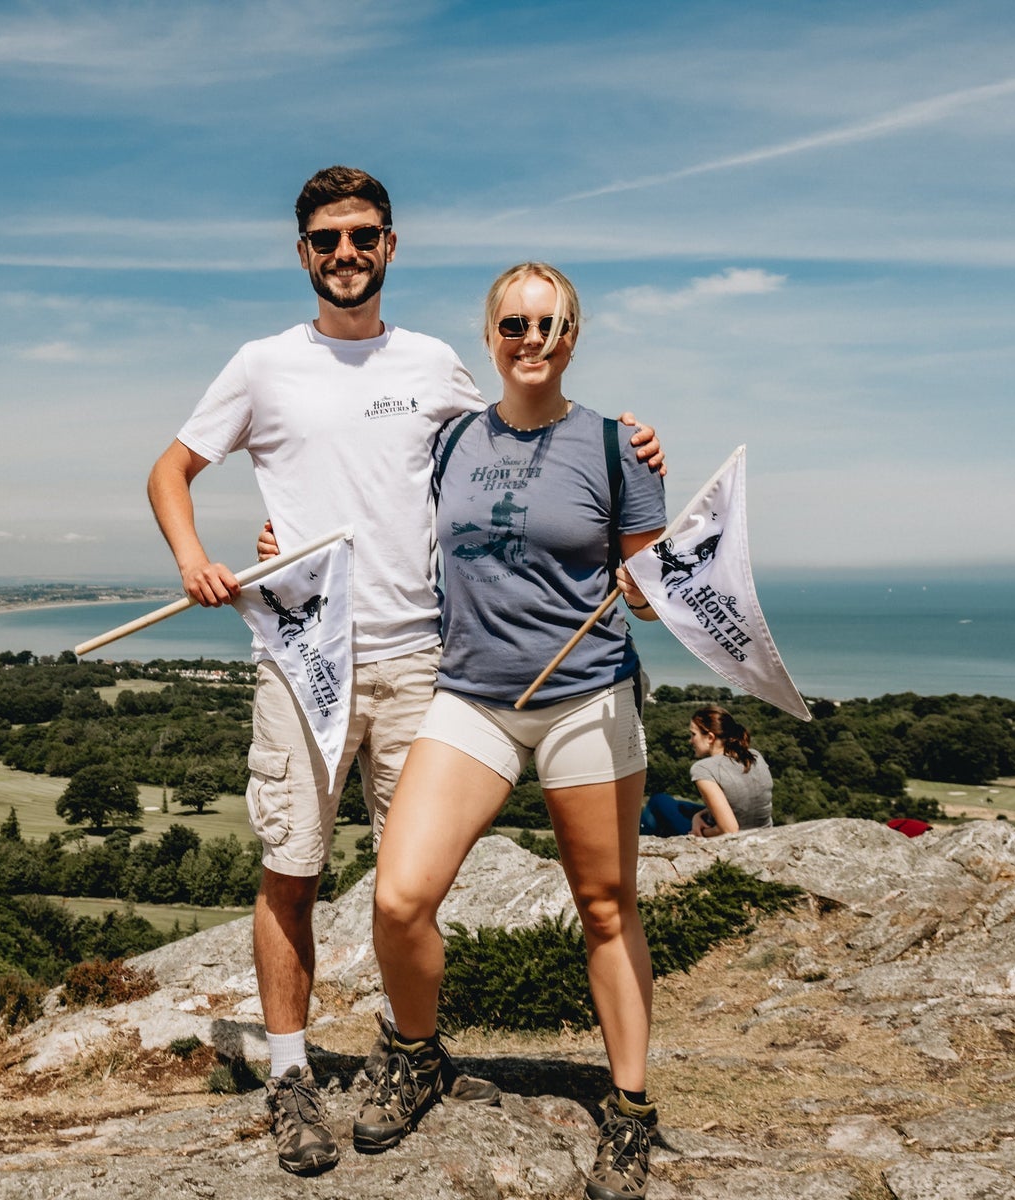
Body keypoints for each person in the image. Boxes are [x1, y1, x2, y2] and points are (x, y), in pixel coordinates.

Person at [146, 168, 665, 1176]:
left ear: (391, 245)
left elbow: (518, 451)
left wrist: (627, 448)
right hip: (304, 655)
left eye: (364, 236)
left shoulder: (436, 368)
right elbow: (170, 469)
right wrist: (201, 558)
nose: (346, 254)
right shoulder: (260, 365)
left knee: (403, 887)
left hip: (427, 655)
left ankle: (410, 1052)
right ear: (303, 253)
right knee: (291, 869)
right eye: (327, 240)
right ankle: (292, 1081)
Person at [354, 261, 667, 1200]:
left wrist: (643, 590)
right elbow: (374, 514)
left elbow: (656, 594)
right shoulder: (452, 442)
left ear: (574, 336)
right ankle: (416, 1052)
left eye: (551, 326)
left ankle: (629, 1110)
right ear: (489, 337)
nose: (533, 342)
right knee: (400, 896)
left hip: (586, 695)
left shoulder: (618, 447)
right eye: (515, 326)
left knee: (605, 907)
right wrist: (272, 545)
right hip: (474, 696)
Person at [642, 705, 774, 838]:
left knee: (658, 801)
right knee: (678, 806)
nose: (691, 740)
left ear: (710, 738)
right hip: (761, 831)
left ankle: (636, 846)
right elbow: (739, 802)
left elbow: (730, 829)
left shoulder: (704, 768)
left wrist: (698, 832)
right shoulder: (754, 755)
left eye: (694, 734)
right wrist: (697, 816)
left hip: (732, 839)